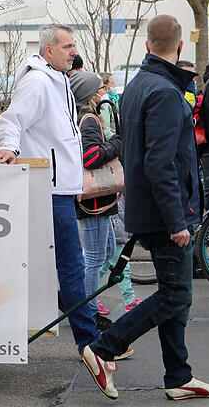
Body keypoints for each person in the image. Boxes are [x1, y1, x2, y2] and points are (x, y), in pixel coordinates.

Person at [80, 15, 209, 401]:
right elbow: (161, 163)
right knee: (176, 295)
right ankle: (103, 347)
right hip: (165, 214)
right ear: (180, 49)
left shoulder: (137, 87)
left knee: (175, 295)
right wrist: (176, 219)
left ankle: (178, 376)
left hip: (151, 209)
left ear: (147, 46)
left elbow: (142, 156)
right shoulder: (163, 92)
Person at [0, 24, 100, 355]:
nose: (74, 51)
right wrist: (7, 148)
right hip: (50, 189)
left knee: (67, 264)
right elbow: (11, 120)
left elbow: (63, 139)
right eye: (67, 46)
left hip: (60, 187)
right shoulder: (39, 81)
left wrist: (76, 177)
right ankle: (90, 341)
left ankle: (90, 334)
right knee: (71, 264)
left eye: (73, 45)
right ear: (48, 51)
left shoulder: (57, 81)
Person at [69, 72, 139, 327]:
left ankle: (86, 303)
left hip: (101, 199)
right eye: (101, 88)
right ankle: (87, 310)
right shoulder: (88, 119)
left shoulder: (87, 116)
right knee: (96, 255)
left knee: (106, 250)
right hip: (94, 200)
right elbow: (89, 157)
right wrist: (116, 145)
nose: (106, 92)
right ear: (90, 94)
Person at [98, 72, 116, 139]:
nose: (115, 85)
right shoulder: (104, 102)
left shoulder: (113, 100)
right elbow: (106, 129)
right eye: (112, 83)